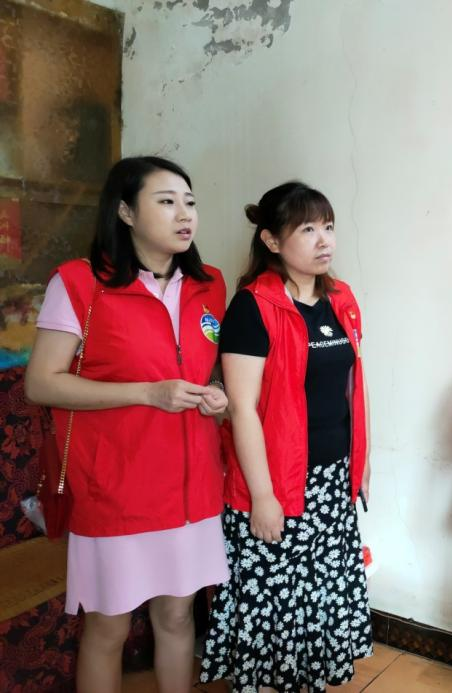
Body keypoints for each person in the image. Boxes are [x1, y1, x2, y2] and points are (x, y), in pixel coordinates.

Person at [24, 156, 229, 693]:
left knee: (177, 618)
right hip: (115, 488)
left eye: (190, 202)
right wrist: (147, 393)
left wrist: (217, 396)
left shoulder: (208, 284)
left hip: (192, 489)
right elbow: (41, 383)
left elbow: (203, 368)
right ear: (126, 212)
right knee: (109, 627)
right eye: (166, 201)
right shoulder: (79, 283)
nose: (184, 214)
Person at [200, 182, 373, 692]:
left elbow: (354, 385)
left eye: (329, 227)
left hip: (331, 479)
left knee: (319, 598)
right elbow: (243, 408)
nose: (325, 240)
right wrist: (262, 496)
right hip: (276, 482)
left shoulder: (341, 300)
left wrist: (361, 462)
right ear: (272, 241)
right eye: (308, 229)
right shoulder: (253, 307)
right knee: (274, 603)